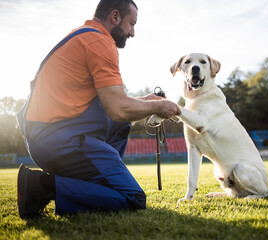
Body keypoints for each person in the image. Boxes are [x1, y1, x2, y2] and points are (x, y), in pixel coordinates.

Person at [17, 0, 180, 218]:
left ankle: (87, 181)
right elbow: (118, 109)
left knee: (121, 122)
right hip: (59, 139)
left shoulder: (82, 35)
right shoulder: (99, 42)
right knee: (134, 199)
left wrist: (146, 101)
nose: (133, 32)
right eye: (131, 23)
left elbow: (112, 101)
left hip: (46, 135)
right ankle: (43, 185)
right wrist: (159, 105)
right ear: (114, 17)